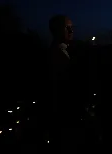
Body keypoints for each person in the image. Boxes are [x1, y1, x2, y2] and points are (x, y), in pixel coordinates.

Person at [47, 15, 81, 149]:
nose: (71, 31)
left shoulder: (69, 50)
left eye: (72, 28)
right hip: (63, 118)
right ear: (55, 30)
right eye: (67, 28)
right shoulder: (51, 56)